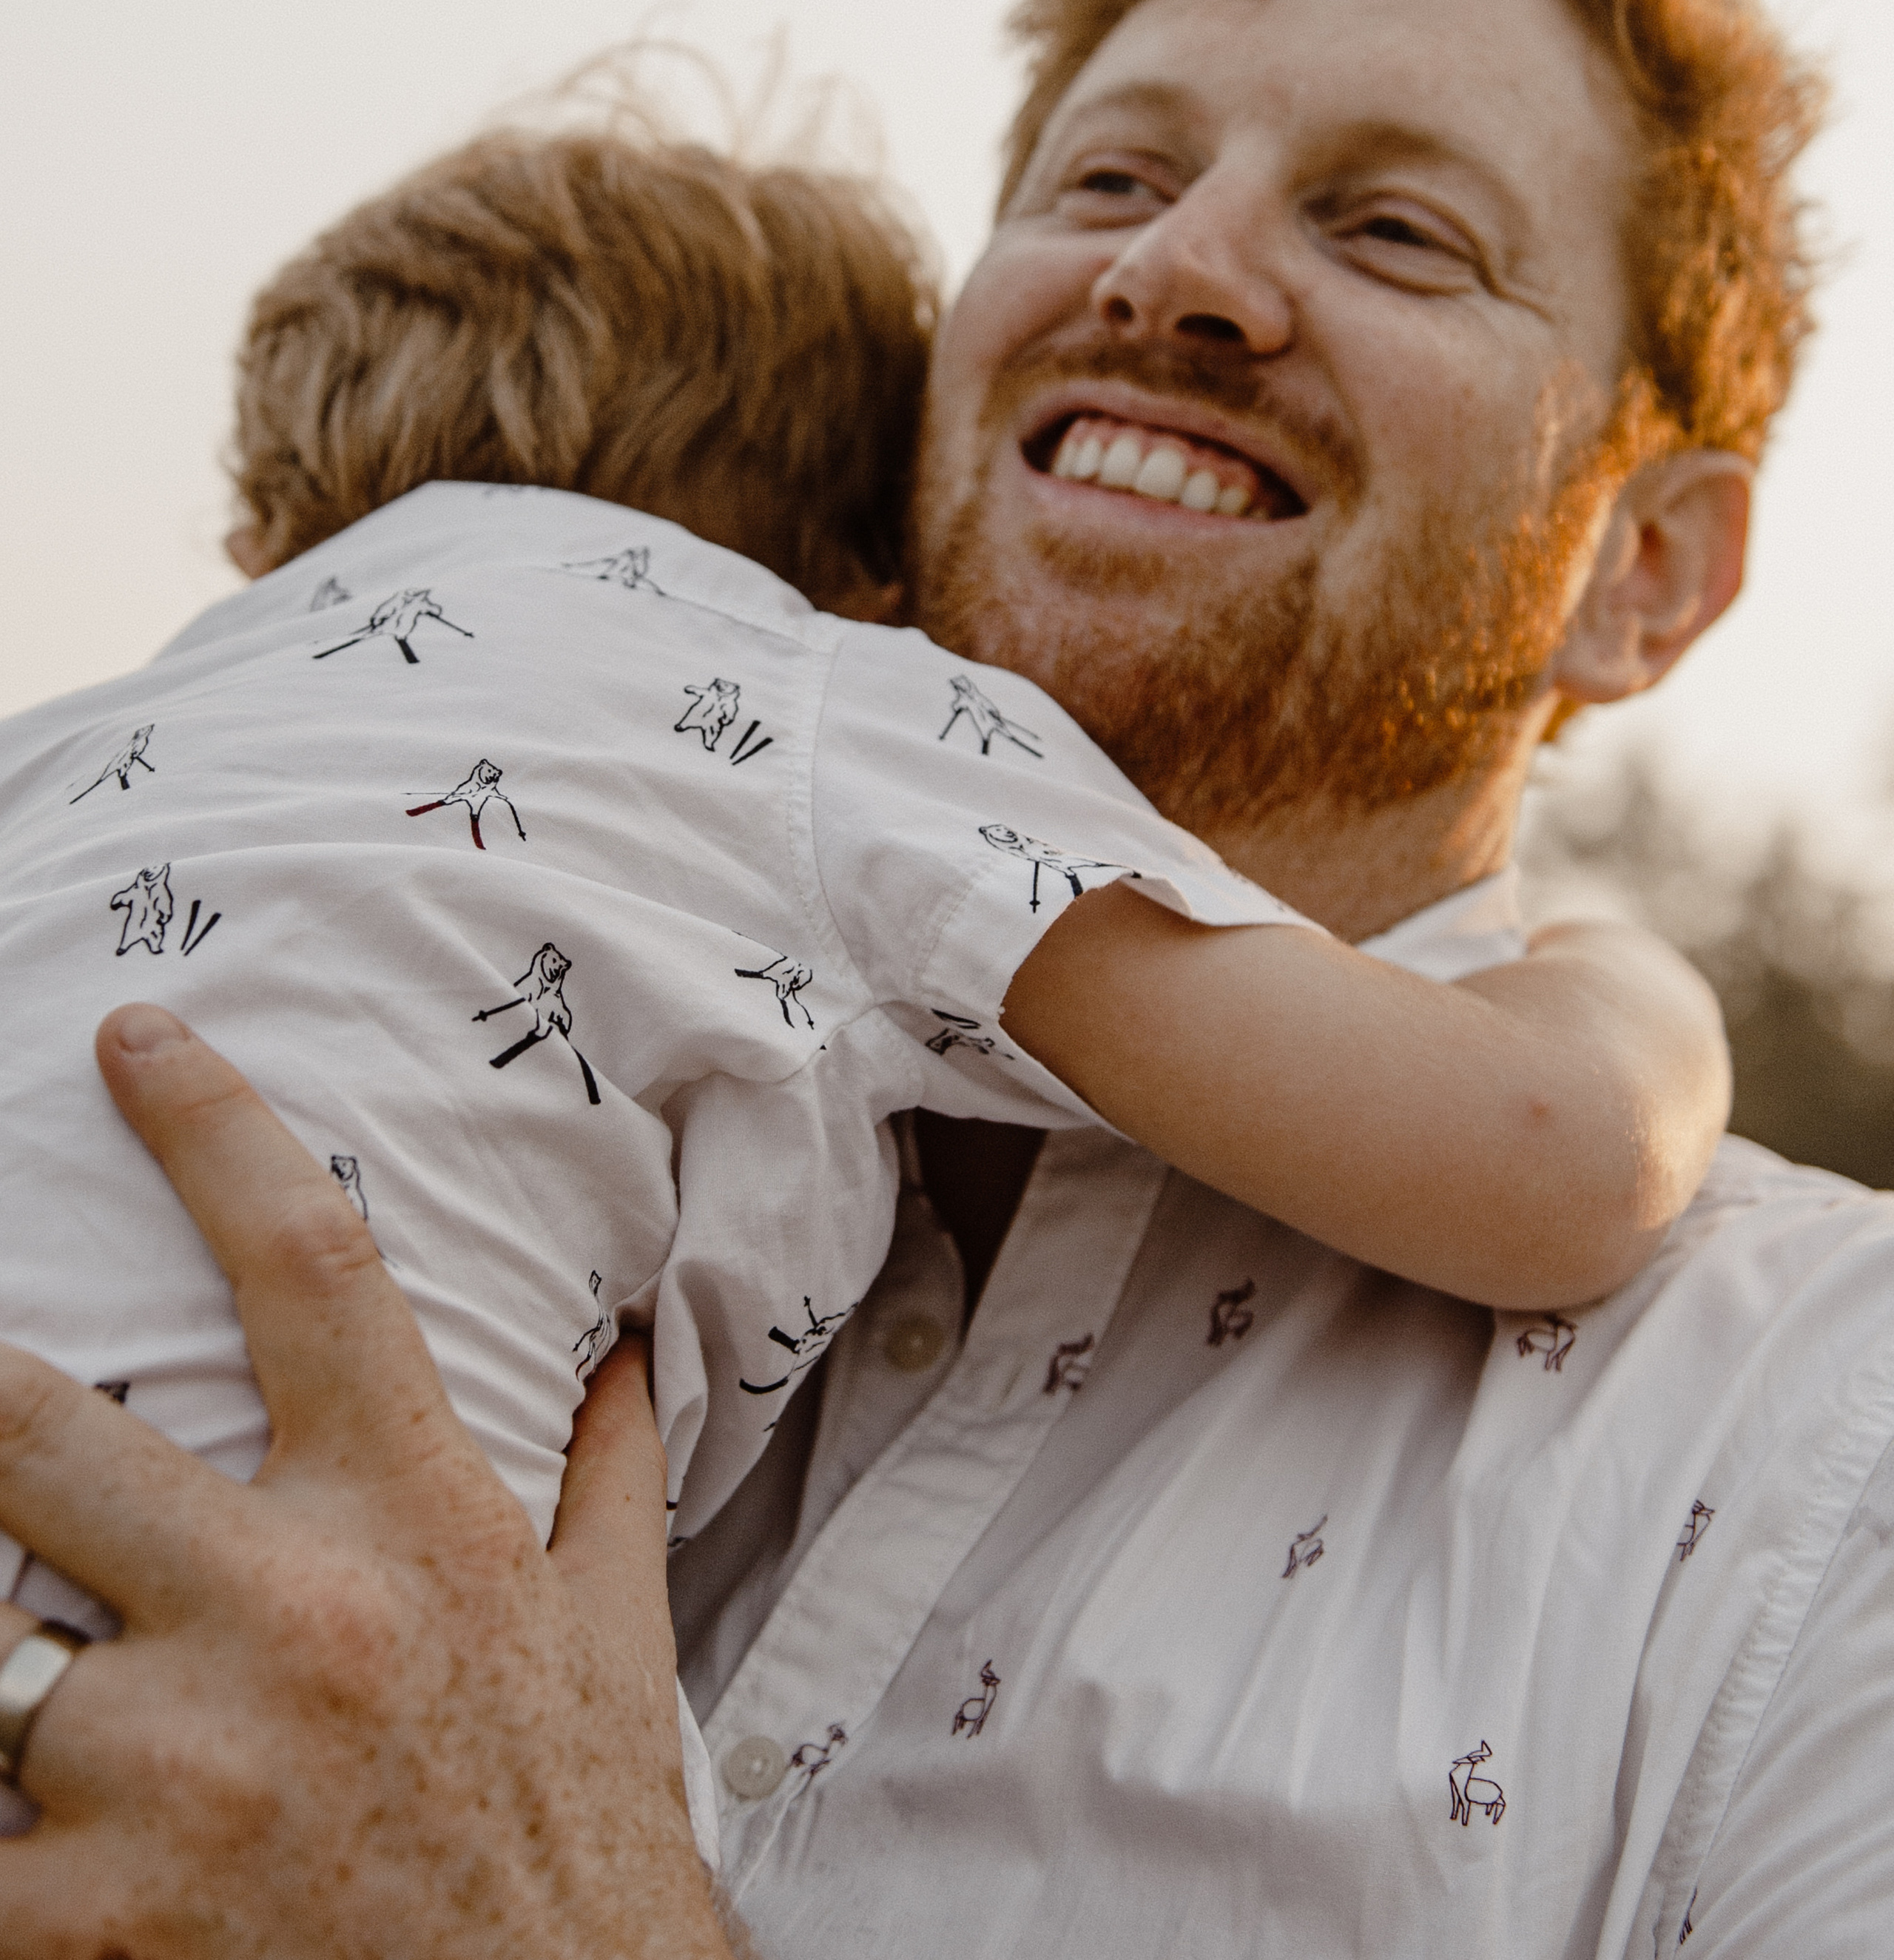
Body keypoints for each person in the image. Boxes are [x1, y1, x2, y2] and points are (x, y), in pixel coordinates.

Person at [0, 0, 1884, 1958]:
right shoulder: (604, 899)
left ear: (1647, 568)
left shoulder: (1814, 1450)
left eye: (1394, 228)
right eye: (1102, 183)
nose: (1176, 274)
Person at [0, 112, 1722, 1822]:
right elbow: (1544, 1149)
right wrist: (1610, 955)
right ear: (867, 580)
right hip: (220, 1716)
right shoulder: (808, 694)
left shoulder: (70, 742)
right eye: (1110, 178)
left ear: (268, 529)